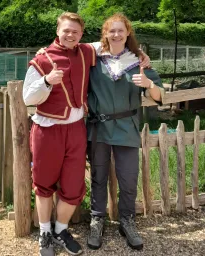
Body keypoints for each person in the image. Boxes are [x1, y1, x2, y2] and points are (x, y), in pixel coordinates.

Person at [86, 13, 165, 251]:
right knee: (98, 177)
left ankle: (127, 220)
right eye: (112, 31)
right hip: (99, 127)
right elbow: (68, 46)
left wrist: (149, 85)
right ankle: (97, 219)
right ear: (105, 34)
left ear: (127, 32)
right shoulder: (93, 59)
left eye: (121, 30)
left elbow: (160, 96)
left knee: (128, 178)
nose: (117, 34)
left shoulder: (138, 61)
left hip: (127, 128)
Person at [23, 12, 97, 256]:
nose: (70, 35)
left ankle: (61, 230)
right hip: (48, 129)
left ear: (81, 34)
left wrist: (140, 55)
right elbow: (27, 98)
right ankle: (45, 232)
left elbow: (114, 45)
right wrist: (46, 81)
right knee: (44, 184)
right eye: (66, 30)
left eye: (75, 31)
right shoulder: (42, 59)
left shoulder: (87, 52)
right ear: (58, 31)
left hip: (76, 129)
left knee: (73, 185)